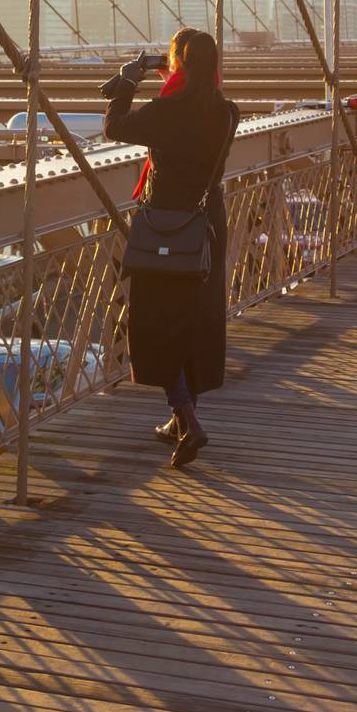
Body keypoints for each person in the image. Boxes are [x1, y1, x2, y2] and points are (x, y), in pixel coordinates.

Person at [101, 28, 238, 469]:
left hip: (165, 227)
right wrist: (177, 70)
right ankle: (180, 420)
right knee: (195, 319)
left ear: (179, 65)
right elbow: (200, 107)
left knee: (156, 321)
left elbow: (114, 126)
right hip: (207, 223)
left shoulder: (167, 110)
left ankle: (186, 416)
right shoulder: (228, 114)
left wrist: (127, 81)